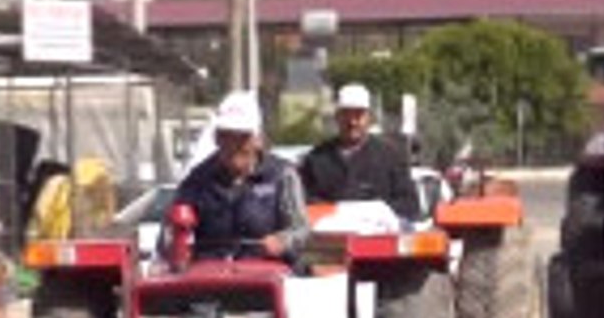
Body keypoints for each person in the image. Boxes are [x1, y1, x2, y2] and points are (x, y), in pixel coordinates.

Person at [163, 91, 309, 263]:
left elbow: (300, 229)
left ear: (258, 139)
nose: (233, 145)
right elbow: (172, 231)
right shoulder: (197, 180)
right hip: (210, 276)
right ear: (216, 138)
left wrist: (283, 241)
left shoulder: (282, 175)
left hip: (267, 273)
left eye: (242, 138)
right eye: (226, 136)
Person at [299, 83, 423, 221]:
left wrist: (374, 212)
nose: (352, 122)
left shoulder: (390, 157)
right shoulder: (316, 159)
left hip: (378, 238)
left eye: (358, 115)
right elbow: (301, 205)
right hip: (329, 238)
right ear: (337, 117)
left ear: (369, 117)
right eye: (346, 114)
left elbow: (410, 206)